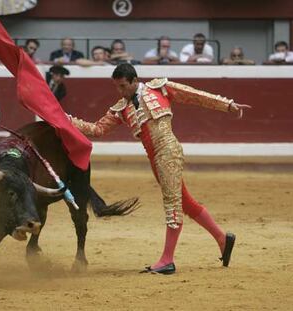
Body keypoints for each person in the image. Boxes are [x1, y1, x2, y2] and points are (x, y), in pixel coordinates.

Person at [67, 63, 251, 274]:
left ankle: (167, 260)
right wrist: (67, 120)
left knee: (172, 203)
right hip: (154, 159)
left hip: (168, 151)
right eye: (117, 87)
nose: (120, 91)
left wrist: (227, 105)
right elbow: (97, 129)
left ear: (134, 81)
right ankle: (222, 238)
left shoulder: (159, 88)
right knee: (186, 202)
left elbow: (193, 95)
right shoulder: (121, 108)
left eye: (123, 86)